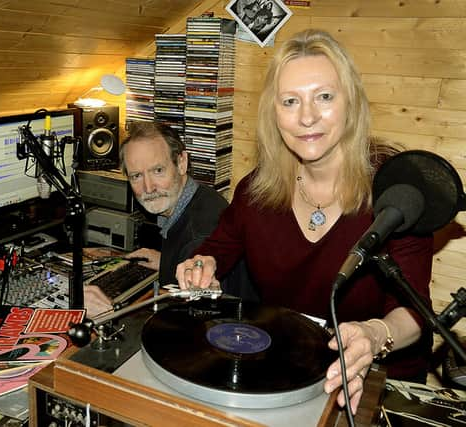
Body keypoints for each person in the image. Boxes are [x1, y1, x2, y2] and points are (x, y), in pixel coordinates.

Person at [176, 29, 433, 415]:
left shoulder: (399, 189)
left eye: (324, 97)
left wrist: (374, 333)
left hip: (382, 378)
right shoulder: (255, 190)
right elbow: (218, 247)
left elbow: (414, 313)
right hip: (291, 374)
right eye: (290, 101)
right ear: (273, 113)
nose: (307, 116)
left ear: (352, 103)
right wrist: (202, 264)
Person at [120, 122, 253, 298]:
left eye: (158, 170)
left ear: (182, 163)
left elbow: (193, 322)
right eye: (136, 176)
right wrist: (168, 262)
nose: (148, 187)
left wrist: (110, 312)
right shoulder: (203, 196)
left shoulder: (198, 238)